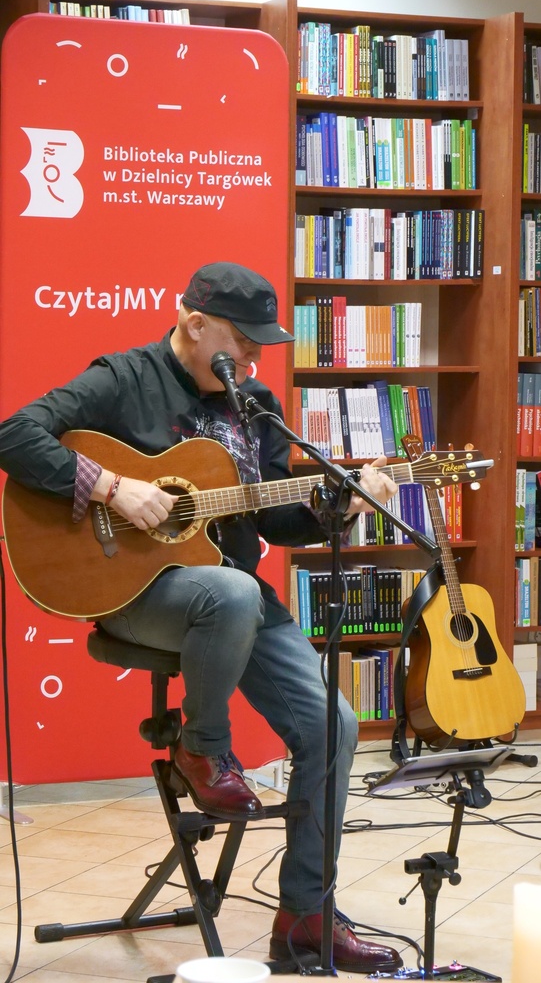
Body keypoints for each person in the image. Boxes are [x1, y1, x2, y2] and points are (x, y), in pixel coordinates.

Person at [0, 261, 402, 974]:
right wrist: (113, 488)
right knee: (233, 592)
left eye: (259, 345)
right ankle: (202, 747)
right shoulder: (123, 378)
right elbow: (13, 434)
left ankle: (306, 917)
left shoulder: (255, 404)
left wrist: (337, 504)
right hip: (137, 597)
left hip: (232, 596)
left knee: (334, 726)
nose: (252, 357)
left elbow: (275, 520)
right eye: (241, 341)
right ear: (193, 323)